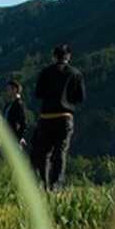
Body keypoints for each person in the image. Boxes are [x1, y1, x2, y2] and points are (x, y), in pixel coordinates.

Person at [29, 44, 85, 188]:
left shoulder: (45, 72)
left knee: (44, 152)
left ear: (53, 56)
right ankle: (56, 183)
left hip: (47, 116)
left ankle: (44, 181)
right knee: (61, 151)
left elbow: (38, 93)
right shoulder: (75, 73)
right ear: (68, 57)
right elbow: (81, 97)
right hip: (65, 116)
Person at [3, 78, 28, 149]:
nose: (6, 92)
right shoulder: (9, 104)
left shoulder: (19, 104)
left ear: (15, 90)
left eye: (8, 89)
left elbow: (23, 123)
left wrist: (19, 137)